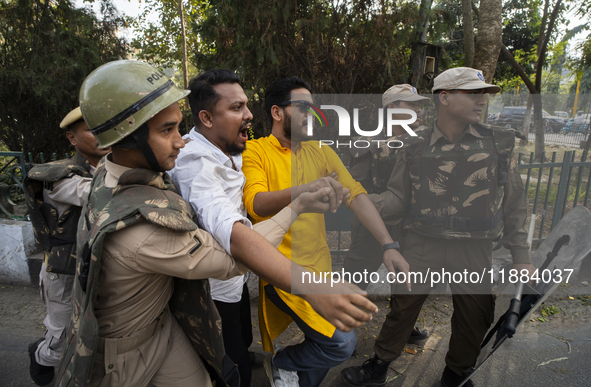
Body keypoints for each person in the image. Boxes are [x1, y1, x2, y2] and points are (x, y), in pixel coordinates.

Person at [55, 60, 378, 387]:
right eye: (168, 130)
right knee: (231, 370)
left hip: (182, 314)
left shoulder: (200, 152)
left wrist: (302, 201)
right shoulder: (184, 177)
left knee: (236, 348)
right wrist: (312, 285)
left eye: (177, 127)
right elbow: (233, 250)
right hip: (178, 316)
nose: (181, 141)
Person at [340, 67, 536, 387]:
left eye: (483, 94)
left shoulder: (499, 142)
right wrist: (350, 200)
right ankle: (379, 364)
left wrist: (521, 255)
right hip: (421, 241)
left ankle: (456, 373)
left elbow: (514, 204)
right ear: (444, 98)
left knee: (474, 314)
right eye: (472, 94)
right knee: (403, 307)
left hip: (475, 247)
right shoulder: (414, 146)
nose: (481, 101)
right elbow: (397, 198)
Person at [170, 69, 336, 387]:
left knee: (242, 337)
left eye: (246, 105)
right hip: (213, 293)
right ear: (206, 117)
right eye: (236, 108)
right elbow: (229, 226)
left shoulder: (220, 147)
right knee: (232, 374)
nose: (248, 115)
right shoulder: (197, 166)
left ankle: (241, 352)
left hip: (236, 283)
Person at [242, 76, 408, 387]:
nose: (313, 114)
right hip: (281, 272)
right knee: (341, 343)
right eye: (303, 107)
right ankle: (281, 361)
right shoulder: (256, 152)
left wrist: (389, 245)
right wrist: (305, 190)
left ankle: (294, 377)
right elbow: (256, 204)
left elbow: (356, 194)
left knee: (331, 341)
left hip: (321, 271)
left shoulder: (320, 151)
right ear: (277, 113)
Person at [24, 107, 110, 386]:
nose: (101, 135)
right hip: (65, 273)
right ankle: (41, 354)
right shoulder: (59, 176)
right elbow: (97, 194)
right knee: (62, 340)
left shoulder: (115, 166)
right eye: (91, 130)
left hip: (104, 268)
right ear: (72, 139)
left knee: (101, 337)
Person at [344, 84, 430, 344]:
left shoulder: (424, 142)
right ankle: (341, 330)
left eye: (419, 105)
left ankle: (403, 328)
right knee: (355, 278)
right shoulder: (368, 143)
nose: (418, 109)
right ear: (392, 108)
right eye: (411, 104)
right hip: (373, 227)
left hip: (411, 228)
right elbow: (354, 188)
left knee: (406, 285)